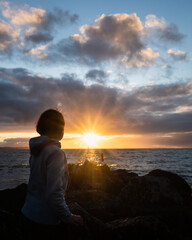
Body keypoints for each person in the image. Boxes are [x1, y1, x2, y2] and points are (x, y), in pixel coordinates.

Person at [21, 109, 83, 240]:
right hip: (45, 222)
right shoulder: (55, 153)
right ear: (59, 129)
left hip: (28, 214)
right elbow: (53, 193)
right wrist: (69, 217)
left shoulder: (36, 150)